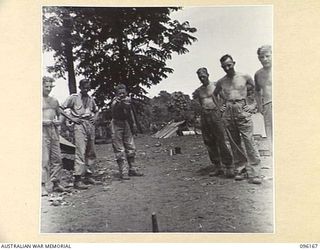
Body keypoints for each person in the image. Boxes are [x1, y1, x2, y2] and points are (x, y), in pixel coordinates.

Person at [214, 55, 261, 184]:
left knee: (249, 141)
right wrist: (220, 107)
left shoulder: (244, 76)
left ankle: (256, 172)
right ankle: (240, 169)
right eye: (224, 66)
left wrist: (253, 104)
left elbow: (256, 89)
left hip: (242, 107)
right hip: (228, 109)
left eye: (229, 65)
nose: (227, 68)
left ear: (234, 63)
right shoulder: (221, 81)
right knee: (234, 142)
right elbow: (214, 94)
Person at [192, 68, 234, 177]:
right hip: (205, 115)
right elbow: (201, 103)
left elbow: (225, 99)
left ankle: (228, 166)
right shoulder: (199, 90)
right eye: (200, 77)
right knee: (209, 141)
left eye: (203, 76)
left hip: (216, 114)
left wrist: (222, 110)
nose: (202, 78)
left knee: (221, 140)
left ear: (208, 75)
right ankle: (217, 166)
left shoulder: (215, 86)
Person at [61, 79, 100, 189]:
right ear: (80, 87)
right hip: (79, 124)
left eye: (88, 87)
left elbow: (96, 110)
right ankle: (77, 179)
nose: (86, 89)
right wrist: (72, 119)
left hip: (90, 124)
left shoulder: (90, 99)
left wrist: (95, 118)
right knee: (80, 151)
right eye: (84, 87)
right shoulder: (74, 97)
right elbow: (60, 108)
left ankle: (89, 175)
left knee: (91, 151)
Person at [111, 84, 144, 180]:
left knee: (131, 146)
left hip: (125, 123)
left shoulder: (128, 100)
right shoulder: (114, 101)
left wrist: (133, 124)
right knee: (119, 148)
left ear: (126, 92)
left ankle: (132, 168)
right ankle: (123, 171)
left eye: (123, 92)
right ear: (117, 94)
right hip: (116, 124)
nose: (122, 94)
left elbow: (130, 112)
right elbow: (113, 108)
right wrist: (118, 102)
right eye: (119, 93)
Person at [42, 76, 68, 196]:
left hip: (53, 130)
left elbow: (61, 113)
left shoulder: (54, 100)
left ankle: (55, 182)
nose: (48, 89)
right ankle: (42, 185)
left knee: (57, 157)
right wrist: (42, 121)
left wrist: (60, 121)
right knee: (44, 159)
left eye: (50, 86)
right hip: (42, 130)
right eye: (46, 86)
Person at [255, 45, 272, 154]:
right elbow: (257, 91)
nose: (265, 59)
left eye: (267, 56)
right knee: (270, 133)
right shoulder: (258, 74)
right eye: (262, 57)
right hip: (267, 105)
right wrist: (260, 106)